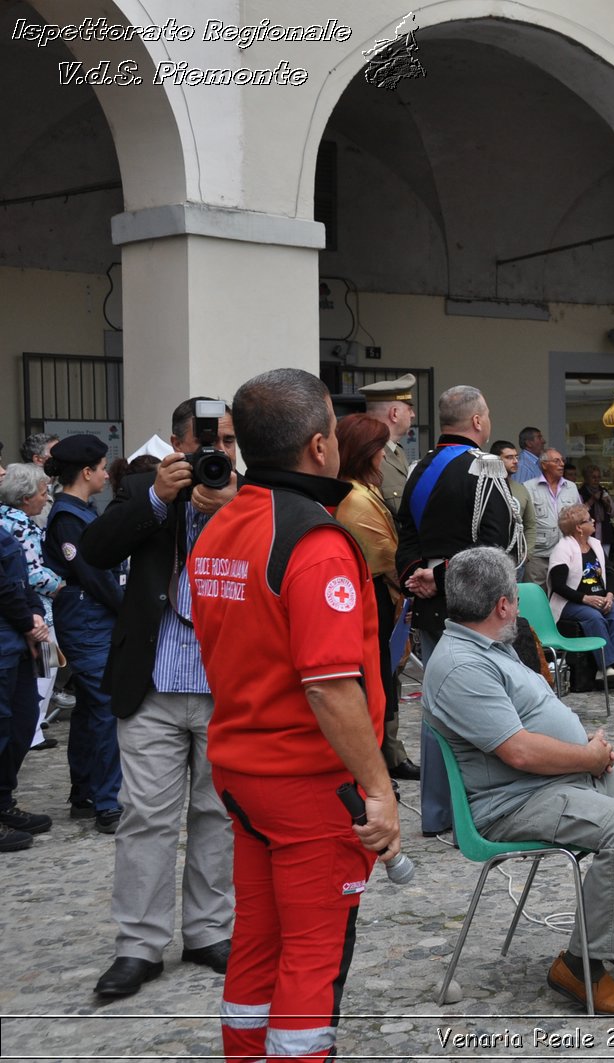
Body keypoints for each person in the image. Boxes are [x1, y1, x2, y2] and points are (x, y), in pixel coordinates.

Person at [189, 368, 400, 1062]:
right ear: (319, 445)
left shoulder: (220, 527)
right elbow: (331, 684)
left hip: (243, 771)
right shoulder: (314, 541)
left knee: (257, 944)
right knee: (312, 958)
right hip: (309, 784)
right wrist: (378, 788)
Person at [422, 547, 614, 1016]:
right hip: (513, 801)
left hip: (562, 778)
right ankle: (580, 966)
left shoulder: (490, 645)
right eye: (515, 596)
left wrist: (580, 750)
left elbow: (532, 725)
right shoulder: (461, 665)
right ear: (503, 606)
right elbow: (519, 752)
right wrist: (587, 756)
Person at [75, 399, 240, 999]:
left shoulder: (250, 495)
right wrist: (156, 500)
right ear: (175, 444)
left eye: (225, 440)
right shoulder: (146, 487)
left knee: (217, 814)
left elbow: (278, 559)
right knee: (145, 816)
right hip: (153, 680)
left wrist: (234, 512)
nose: (215, 454)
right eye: (203, 442)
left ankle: (208, 932)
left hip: (225, 684)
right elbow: (94, 551)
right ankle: (139, 946)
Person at [395, 384, 525, 837]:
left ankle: (437, 811)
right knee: (488, 702)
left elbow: (405, 535)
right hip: (478, 606)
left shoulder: (418, 468)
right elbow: (497, 542)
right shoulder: (486, 470)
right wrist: (446, 574)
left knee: (435, 705)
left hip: (431, 604)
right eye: (487, 416)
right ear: (476, 422)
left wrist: (418, 574)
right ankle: (485, 805)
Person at [42, 434, 123, 834]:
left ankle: (86, 793)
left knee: (92, 710)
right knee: (106, 708)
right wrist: (129, 609)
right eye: (104, 468)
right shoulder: (68, 517)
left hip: (91, 620)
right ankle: (107, 802)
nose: (107, 475)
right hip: (88, 621)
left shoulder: (80, 511)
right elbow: (95, 576)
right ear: (87, 472)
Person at [334, 413, 419, 783]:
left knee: (384, 681)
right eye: (379, 449)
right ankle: (378, 761)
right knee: (375, 681)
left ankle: (388, 753)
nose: (385, 456)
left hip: (382, 596)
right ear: (366, 452)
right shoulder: (355, 498)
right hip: (376, 599)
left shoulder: (361, 490)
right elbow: (386, 555)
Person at [0, 464, 63, 753]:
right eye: (42, 493)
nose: (45, 498)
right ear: (26, 498)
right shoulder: (22, 525)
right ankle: (34, 731)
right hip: (36, 614)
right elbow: (32, 575)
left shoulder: (4, 518)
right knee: (43, 671)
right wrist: (63, 584)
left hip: (22, 614)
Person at [0, 511, 50, 852]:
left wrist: (36, 614)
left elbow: (21, 580)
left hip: (14, 642)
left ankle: (3, 802)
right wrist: (27, 621)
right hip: (7, 639)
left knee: (21, 724)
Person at [547, 503, 614, 685]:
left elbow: (609, 572)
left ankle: (610, 670)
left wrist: (610, 594)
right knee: (594, 617)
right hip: (571, 602)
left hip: (600, 597)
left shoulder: (595, 544)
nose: (594, 521)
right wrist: (585, 598)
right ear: (579, 527)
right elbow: (558, 586)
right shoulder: (562, 549)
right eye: (589, 519)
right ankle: (613, 664)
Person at [357, 373, 417, 518]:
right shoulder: (367, 455)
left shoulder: (397, 452)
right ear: (394, 413)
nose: (413, 415)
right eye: (409, 409)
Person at [524, 447, 581, 588]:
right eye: (556, 461)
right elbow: (522, 521)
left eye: (563, 460)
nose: (562, 464)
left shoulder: (571, 487)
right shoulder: (529, 487)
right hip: (539, 554)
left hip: (566, 552)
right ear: (544, 465)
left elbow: (580, 517)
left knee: (565, 594)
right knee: (536, 594)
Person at [490, 440, 539, 569]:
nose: (516, 461)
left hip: (516, 559)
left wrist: (527, 553)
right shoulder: (485, 487)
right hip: (489, 557)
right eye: (509, 457)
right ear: (496, 460)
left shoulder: (521, 489)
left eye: (516, 457)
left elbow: (530, 524)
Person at [579, 465, 614, 556]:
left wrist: (607, 504)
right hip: (588, 533)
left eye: (598, 477)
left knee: (604, 560)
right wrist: (592, 500)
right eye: (593, 477)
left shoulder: (603, 491)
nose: (596, 480)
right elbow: (579, 514)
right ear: (586, 478)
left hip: (604, 532)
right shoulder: (581, 492)